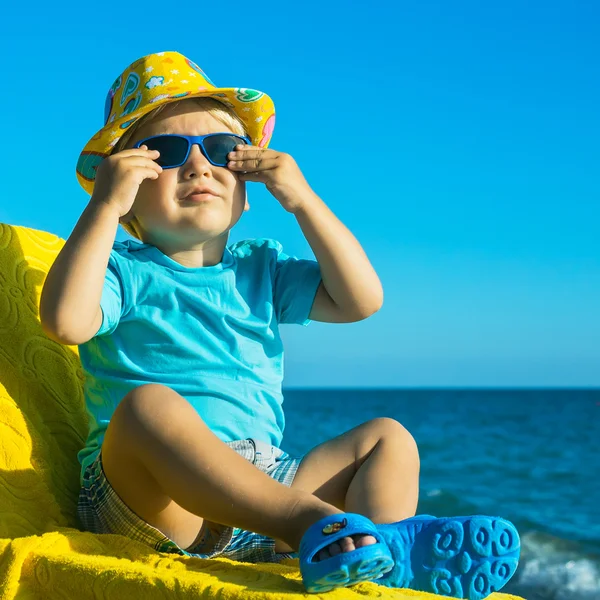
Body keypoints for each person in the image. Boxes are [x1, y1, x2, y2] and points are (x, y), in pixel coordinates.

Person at [39, 51, 520, 598]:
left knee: (389, 438)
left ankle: (381, 558)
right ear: (128, 196)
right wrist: (101, 208)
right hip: (157, 500)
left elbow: (361, 300)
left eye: (221, 150)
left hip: (261, 492)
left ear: (246, 191)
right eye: (166, 153)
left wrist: (304, 201)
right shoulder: (122, 270)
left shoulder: (260, 268)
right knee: (148, 408)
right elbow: (65, 321)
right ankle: (325, 529)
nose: (198, 165)